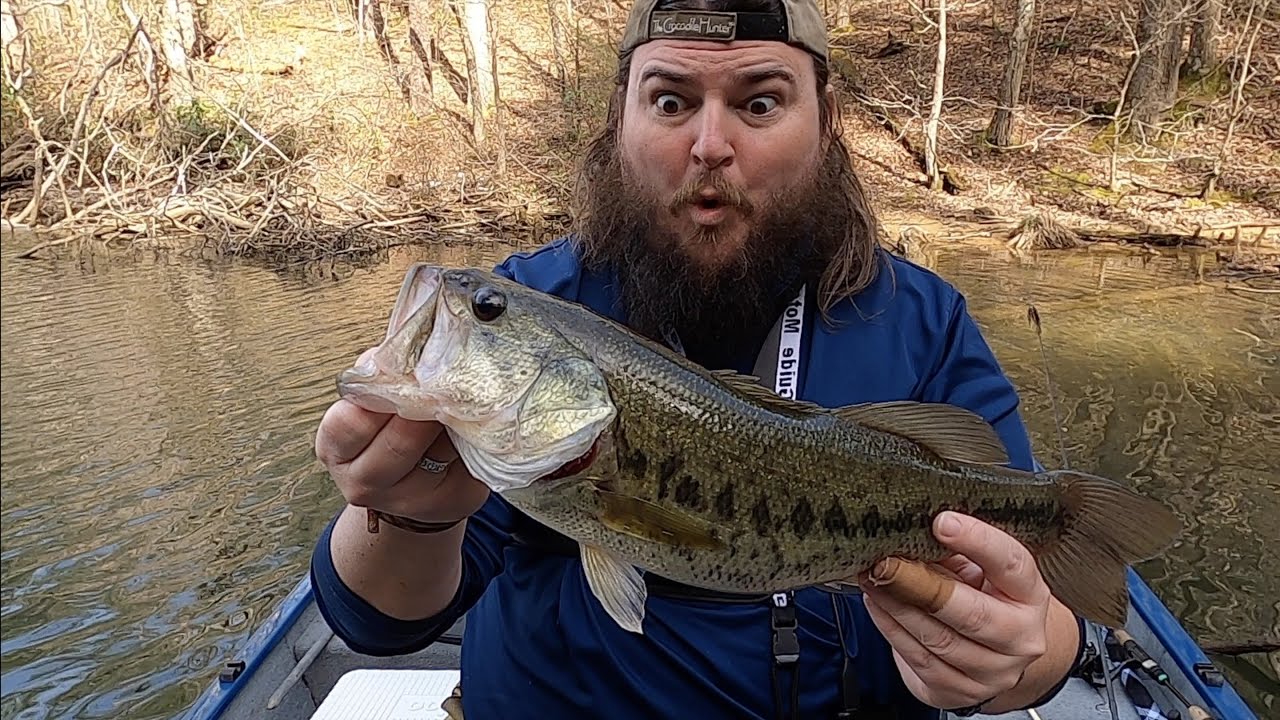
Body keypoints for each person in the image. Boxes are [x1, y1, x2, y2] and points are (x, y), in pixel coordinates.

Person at [309, 0, 1088, 717]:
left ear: (826, 122)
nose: (710, 146)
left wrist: (1012, 661)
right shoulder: (537, 301)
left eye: (760, 103)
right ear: (620, 117)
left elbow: (1046, 627)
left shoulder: (926, 323)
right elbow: (380, 619)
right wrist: (411, 513)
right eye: (670, 101)